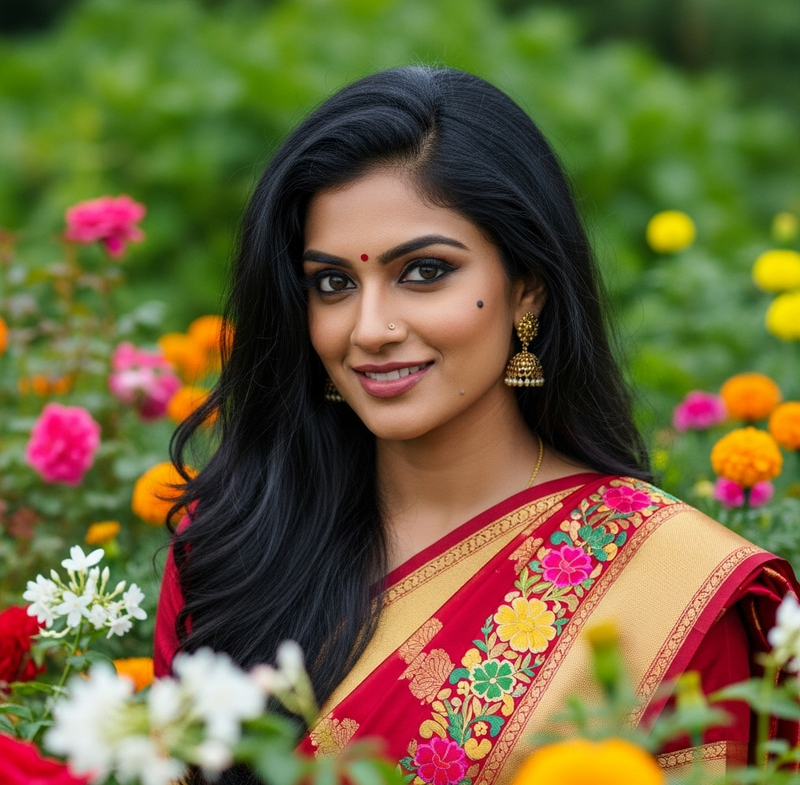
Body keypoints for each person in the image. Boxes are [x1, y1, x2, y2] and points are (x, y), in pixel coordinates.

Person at [154, 66, 799, 783]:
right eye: (332, 283)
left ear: (527, 288)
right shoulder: (237, 549)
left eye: (424, 272)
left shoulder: (671, 591)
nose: (369, 329)